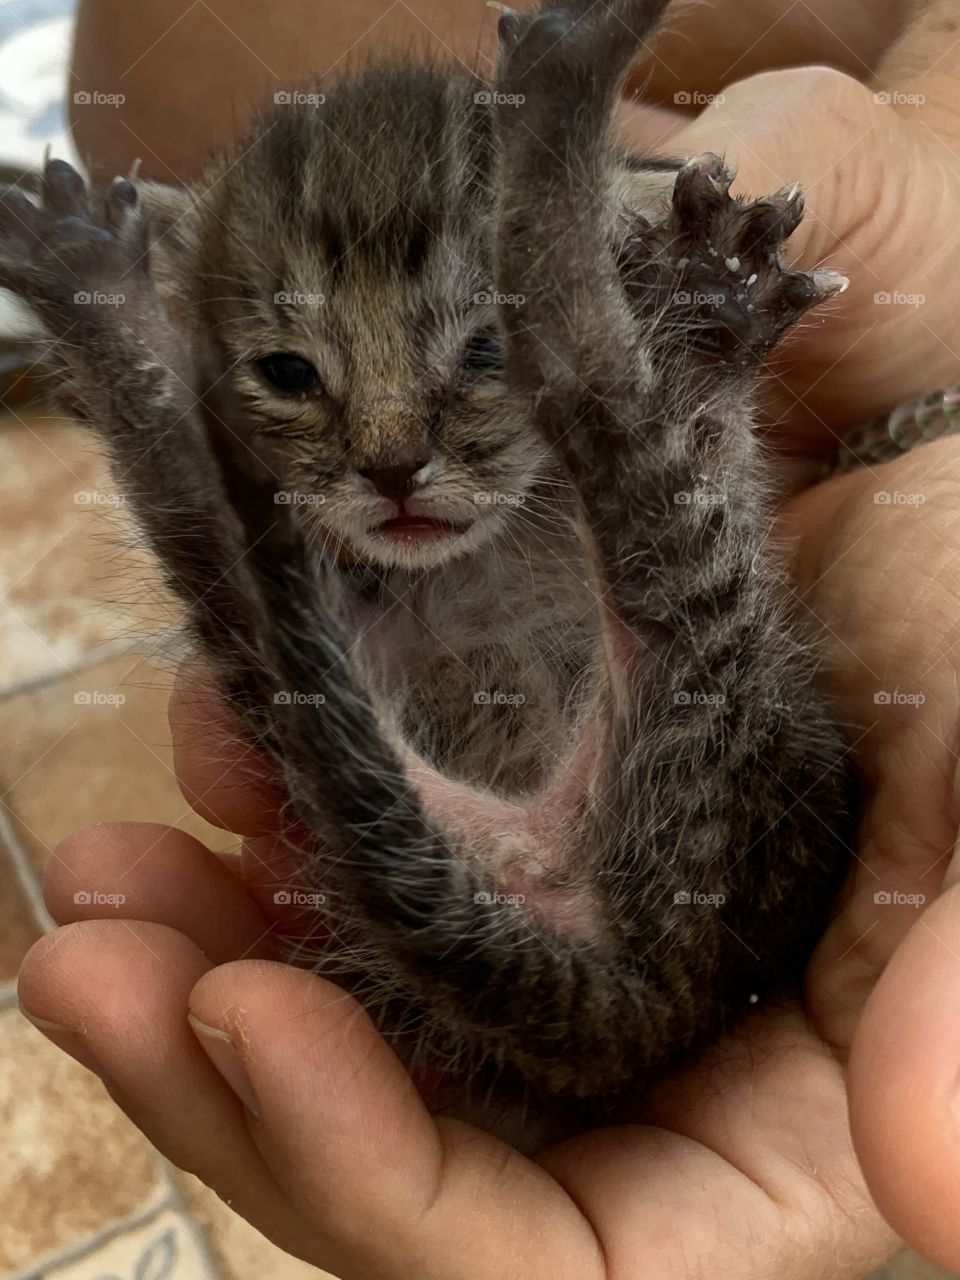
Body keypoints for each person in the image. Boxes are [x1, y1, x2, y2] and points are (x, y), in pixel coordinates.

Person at [18, 0, 960, 1275]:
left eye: (476, 352)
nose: (392, 453)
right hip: (568, 927)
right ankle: (152, 337)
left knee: (301, 657)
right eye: (296, 376)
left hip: (587, 925)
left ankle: (135, 334)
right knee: (356, 646)